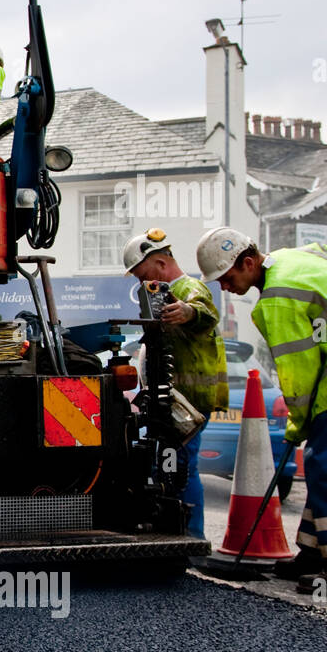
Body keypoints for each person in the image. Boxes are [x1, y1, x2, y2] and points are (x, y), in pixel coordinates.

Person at [198, 227, 327, 596]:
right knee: (324, 461)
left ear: (249, 262)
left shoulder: (276, 301)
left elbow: (299, 376)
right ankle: (314, 553)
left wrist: (297, 423)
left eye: (228, 279)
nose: (225, 288)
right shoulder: (295, 257)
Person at [121, 228, 228, 538]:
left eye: (143, 275)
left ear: (160, 263)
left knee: (181, 468)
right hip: (175, 399)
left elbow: (205, 312)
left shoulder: (189, 288)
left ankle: (190, 536)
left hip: (188, 402)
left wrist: (187, 312)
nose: (141, 283)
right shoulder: (163, 294)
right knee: (170, 465)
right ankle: (177, 530)